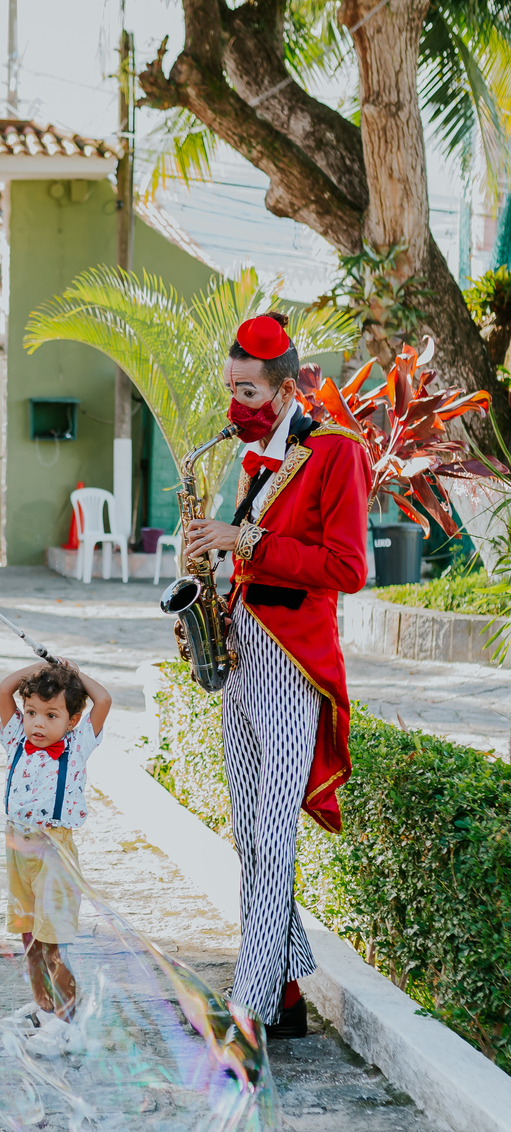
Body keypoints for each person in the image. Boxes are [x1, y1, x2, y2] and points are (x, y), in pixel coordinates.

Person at [185, 312, 372, 1041]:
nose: (237, 406)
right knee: (248, 833)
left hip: (297, 666)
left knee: (273, 837)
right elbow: (251, 560)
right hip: (246, 652)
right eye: (231, 388)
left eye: (250, 393)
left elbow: (348, 568)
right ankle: (287, 992)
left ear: (289, 386)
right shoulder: (258, 450)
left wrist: (246, 538)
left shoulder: (336, 453)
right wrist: (215, 598)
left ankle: (252, 1008)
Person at [0, 658, 112, 1050]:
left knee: (53, 942)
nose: (38, 723)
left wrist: (73, 674)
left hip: (54, 850)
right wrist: (37, 666)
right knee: (29, 935)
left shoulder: (77, 746)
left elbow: (104, 699)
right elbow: (2, 690)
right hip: (18, 845)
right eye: (31, 713)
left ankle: (67, 1020)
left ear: (72, 720)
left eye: (51, 714)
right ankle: (44, 1009)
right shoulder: (16, 740)